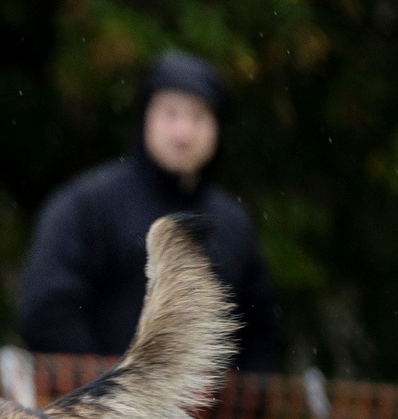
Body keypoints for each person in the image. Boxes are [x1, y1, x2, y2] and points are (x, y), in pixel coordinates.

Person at [18, 51, 282, 372]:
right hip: (98, 399)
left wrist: (228, 397)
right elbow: (47, 309)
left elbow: (259, 329)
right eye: (171, 114)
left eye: (198, 117)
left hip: (203, 404)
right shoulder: (88, 204)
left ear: (217, 128)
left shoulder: (232, 223)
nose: (183, 133)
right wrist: (104, 387)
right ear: (146, 117)